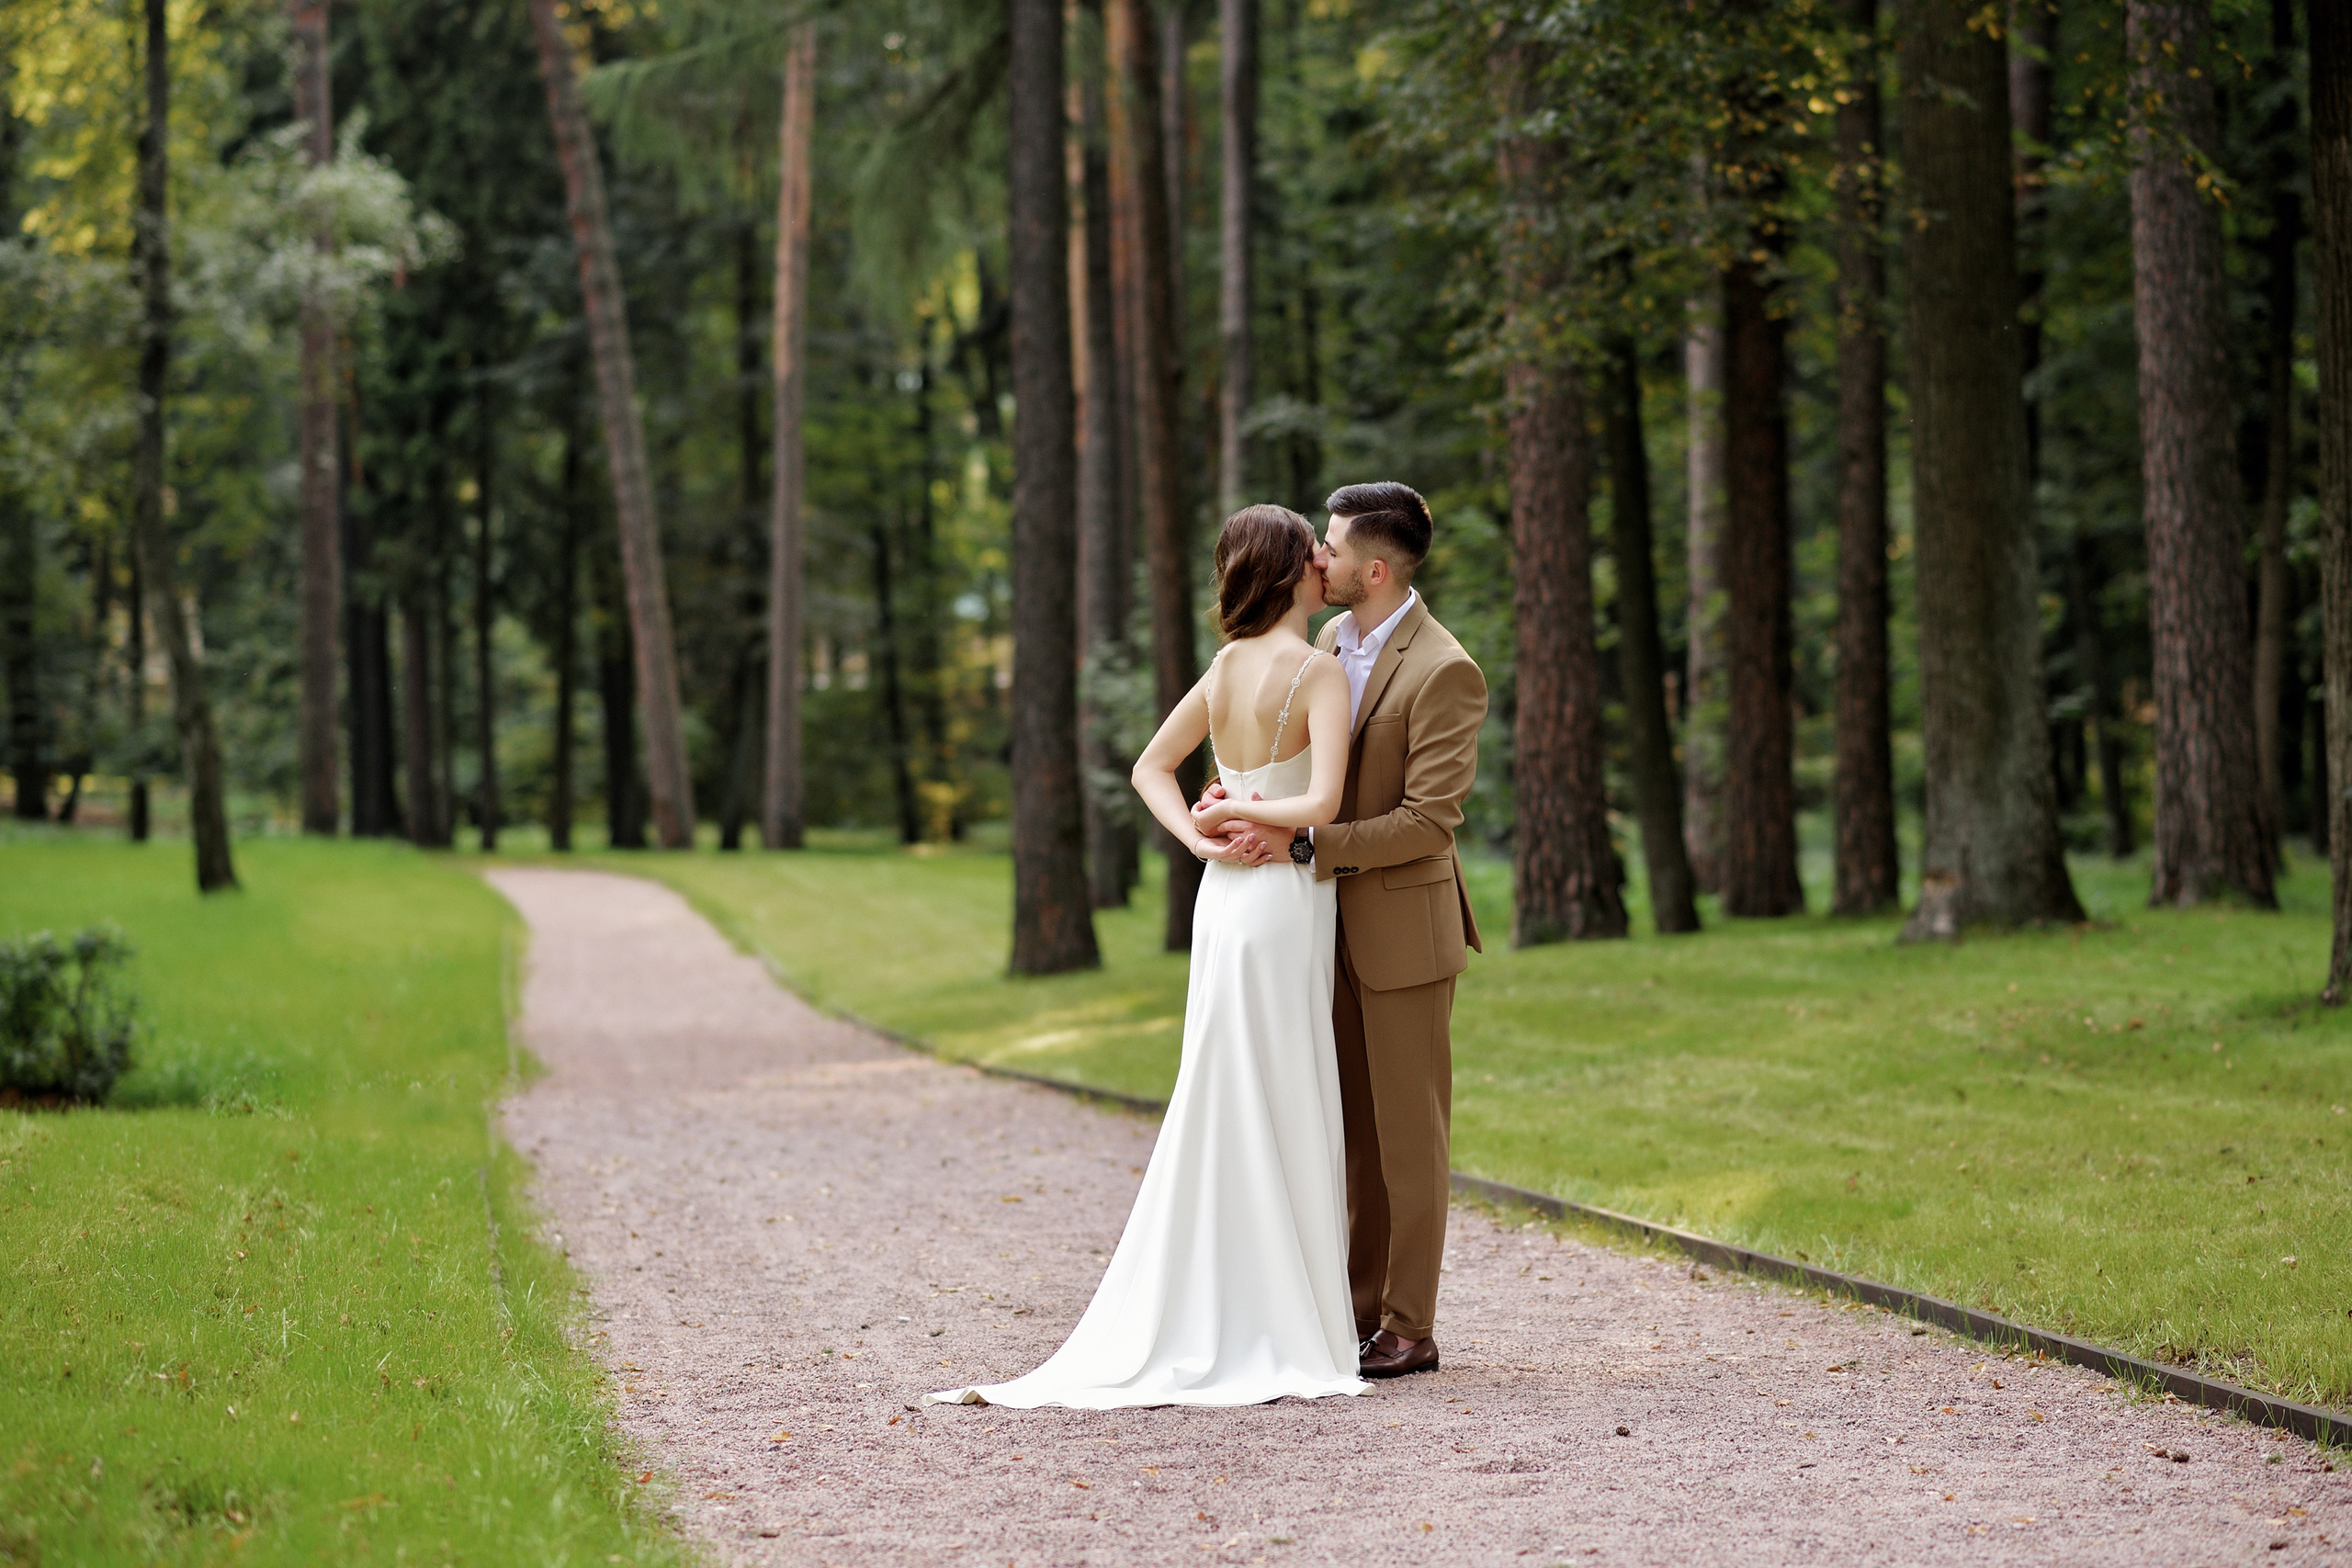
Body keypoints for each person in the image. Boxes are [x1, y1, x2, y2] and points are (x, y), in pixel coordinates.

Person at [927, 504, 1366, 1408]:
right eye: (1313, 554)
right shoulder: (1316, 673)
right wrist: (1238, 821)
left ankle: (1238, 1299)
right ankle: (1296, 1322)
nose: (1327, 562)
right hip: (1280, 898)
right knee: (1281, 1083)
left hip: (1224, 899)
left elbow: (1147, 770)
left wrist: (1206, 834)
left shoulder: (1223, 668)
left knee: (1226, 1086)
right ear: (1289, 571)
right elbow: (1322, 802)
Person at [1206, 482, 1487, 1380]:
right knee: (1352, 1138)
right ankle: (1355, 1314)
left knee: (1410, 1141)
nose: (1314, 559)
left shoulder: (1445, 668)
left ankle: (1411, 1327)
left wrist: (1301, 841)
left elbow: (1425, 823)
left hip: (1404, 935)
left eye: (1327, 547)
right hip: (1321, 927)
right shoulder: (1327, 642)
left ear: (1372, 568)